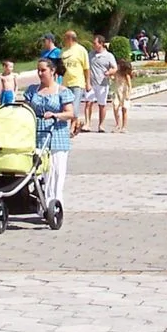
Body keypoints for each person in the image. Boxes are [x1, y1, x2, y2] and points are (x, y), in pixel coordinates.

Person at [25, 55, 77, 204]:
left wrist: (56, 115)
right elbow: (27, 109)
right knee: (41, 172)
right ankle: (42, 202)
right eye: (38, 71)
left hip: (56, 134)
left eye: (43, 70)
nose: (40, 73)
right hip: (38, 134)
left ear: (52, 71)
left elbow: (70, 113)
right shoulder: (32, 90)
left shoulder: (62, 91)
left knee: (56, 171)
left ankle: (55, 203)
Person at [60, 30, 90, 133]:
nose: (63, 40)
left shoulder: (81, 50)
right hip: (65, 82)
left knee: (75, 106)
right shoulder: (63, 50)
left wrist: (88, 82)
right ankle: (77, 123)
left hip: (77, 82)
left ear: (70, 38)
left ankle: (72, 128)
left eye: (65, 38)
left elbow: (86, 68)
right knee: (65, 106)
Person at [85, 35, 116, 132]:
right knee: (88, 103)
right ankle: (87, 124)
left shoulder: (109, 56)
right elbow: (87, 68)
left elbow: (114, 68)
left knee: (102, 104)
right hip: (91, 83)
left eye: (95, 43)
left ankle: (101, 125)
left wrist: (109, 72)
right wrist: (87, 82)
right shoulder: (90, 54)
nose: (93, 45)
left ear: (101, 44)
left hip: (102, 83)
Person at [110, 53, 134, 133]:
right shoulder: (117, 73)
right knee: (115, 107)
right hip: (117, 92)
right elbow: (114, 79)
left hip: (124, 93)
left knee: (124, 109)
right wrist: (110, 76)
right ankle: (117, 124)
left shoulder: (126, 75)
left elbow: (130, 85)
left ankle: (124, 126)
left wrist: (128, 95)